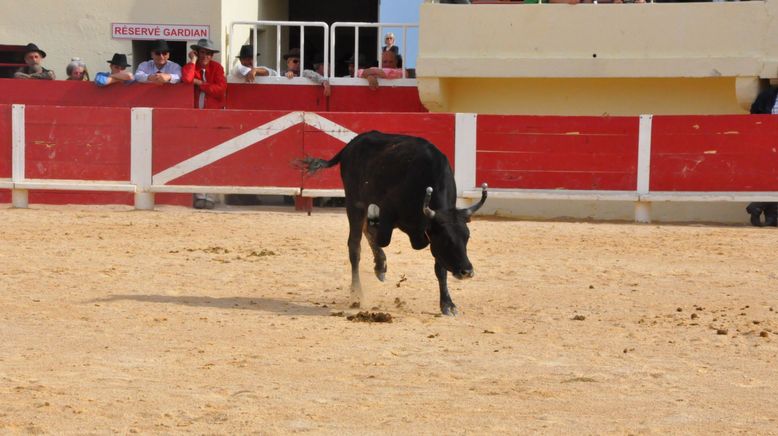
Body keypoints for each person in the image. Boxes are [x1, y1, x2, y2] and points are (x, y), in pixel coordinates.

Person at [181, 38, 227, 210]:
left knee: (213, 155)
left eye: (208, 53)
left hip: (213, 117)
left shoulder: (217, 68)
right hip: (195, 117)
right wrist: (192, 61)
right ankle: (200, 195)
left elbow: (220, 89)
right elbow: (186, 79)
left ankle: (211, 194)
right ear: (197, 53)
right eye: (202, 53)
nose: (206, 56)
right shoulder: (191, 66)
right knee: (196, 154)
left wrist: (201, 84)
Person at [745, 85, 778, 227]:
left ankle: (762, 209)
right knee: (771, 179)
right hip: (769, 143)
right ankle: (766, 211)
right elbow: (754, 115)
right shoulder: (769, 95)